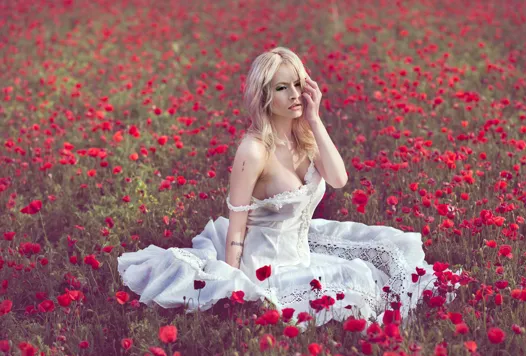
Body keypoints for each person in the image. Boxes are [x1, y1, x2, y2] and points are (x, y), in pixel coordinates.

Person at [117, 47, 461, 330]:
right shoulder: (253, 150)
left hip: (302, 248)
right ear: (265, 95)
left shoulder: (305, 137)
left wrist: (314, 118)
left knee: (384, 256)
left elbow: (339, 179)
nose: (295, 95)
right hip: (268, 265)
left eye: (298, 84)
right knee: (353, 284)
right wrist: (234, 286)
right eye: (283, 88)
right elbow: (236, 227)